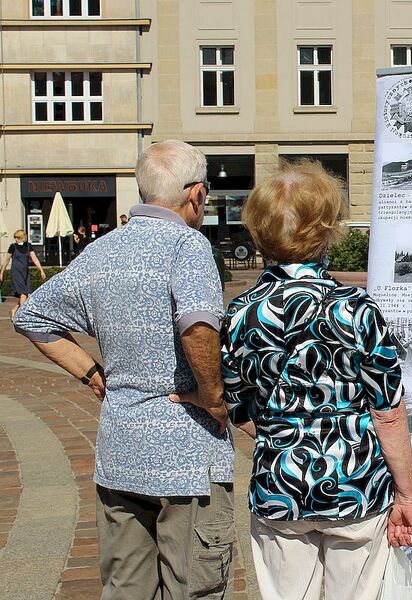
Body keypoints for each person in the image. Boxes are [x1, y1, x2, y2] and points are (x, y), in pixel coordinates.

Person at [13, 140, 234, 600]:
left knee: (125, 589)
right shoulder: (187, 245)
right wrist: (213, 395)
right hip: (186, 455)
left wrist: (94, 374)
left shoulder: (101, 251)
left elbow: (31, 316)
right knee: (193, 587)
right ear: (195, 194)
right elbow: (197, 324)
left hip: (121, 450)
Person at [220, 161, 412, 600]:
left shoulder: (240, 314)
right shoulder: (356, 310)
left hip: (279, 488)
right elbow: (388, 413)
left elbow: (239, 409)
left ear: (260, 231)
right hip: (355, 487)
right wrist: (406, 494)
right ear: (327, 227)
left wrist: (285, 432)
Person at [0, 229, 46, 319]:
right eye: (15, 238)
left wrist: (41, 270)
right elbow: (6, 260)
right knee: (23, 294)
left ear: (23, 238)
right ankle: (22, 316)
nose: (16, 239)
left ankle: (14, 310)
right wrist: (2, 272)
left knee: (26, 294)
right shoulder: (12, 247)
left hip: (25, 273)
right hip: (16, 273)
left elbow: (34, 258)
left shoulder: (28, 246)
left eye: (18, 238)